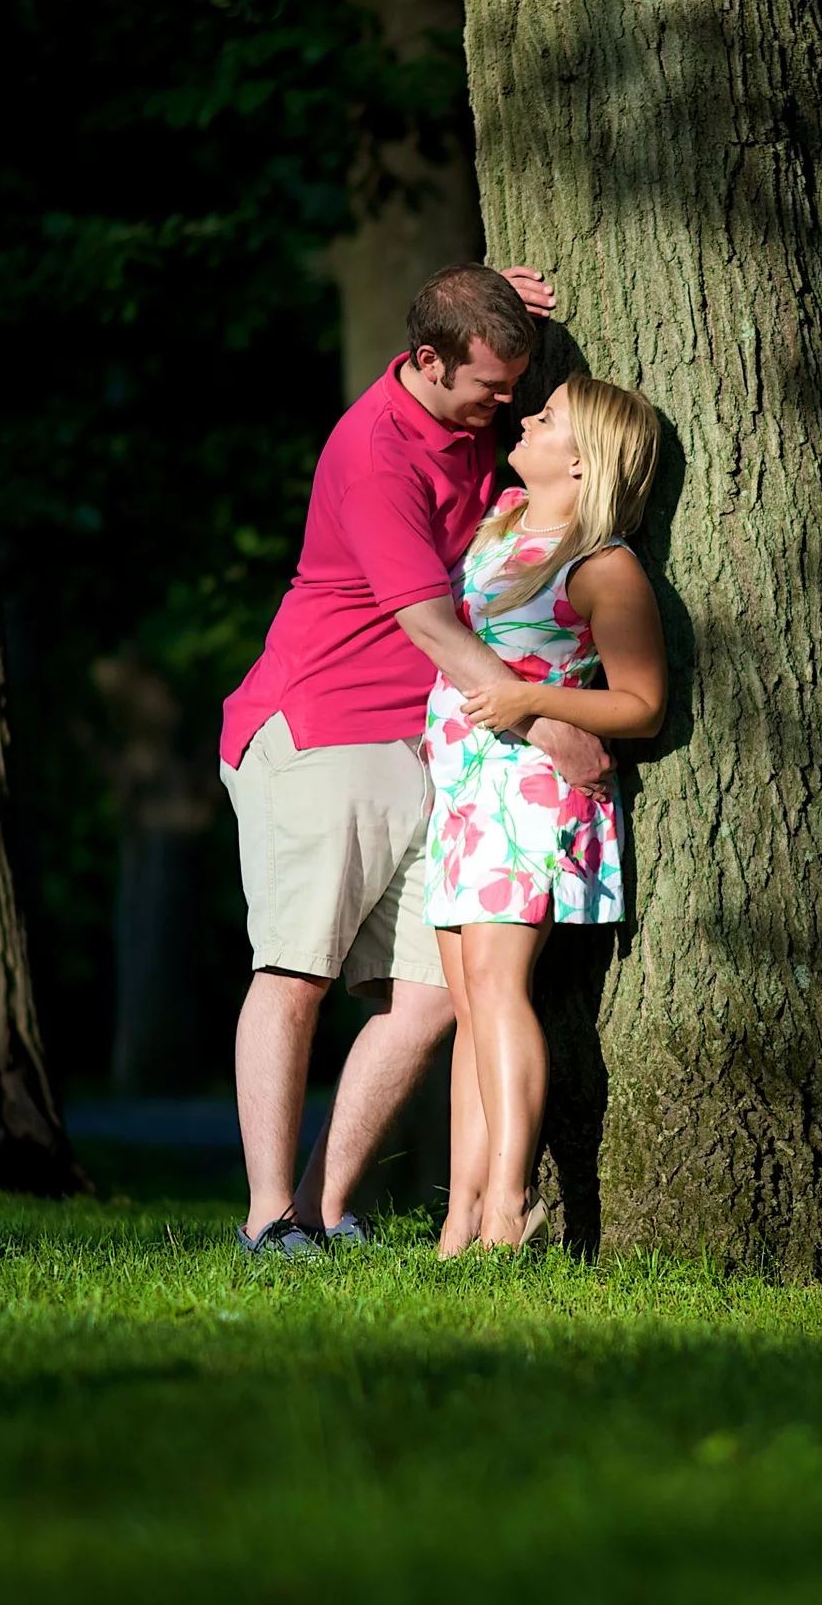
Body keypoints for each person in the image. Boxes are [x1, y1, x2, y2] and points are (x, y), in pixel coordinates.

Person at [216, 263, 609, 1255]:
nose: (508, 403)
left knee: (433, 994)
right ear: (428, 361)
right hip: (325, 727)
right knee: (296, 968)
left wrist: (477, 276)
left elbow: (468, 335)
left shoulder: (472, 402)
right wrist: (543, 718)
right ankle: (266, 1217)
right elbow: (429, 620)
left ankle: (320, 1206)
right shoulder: (377, 453)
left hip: (432, 739)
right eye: (489, 384)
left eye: (515, 383)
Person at [423, 378, 667, 1255]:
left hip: (529, 795)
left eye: (549, 417)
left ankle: (509, 1207)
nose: (525, 419)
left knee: (497, 989)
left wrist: (530, 698)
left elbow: (641, 703)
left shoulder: (601, 563)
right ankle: (461, 1222)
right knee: (469, 1004)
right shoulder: (499, 528)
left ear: (583, 459)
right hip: (463, 793)